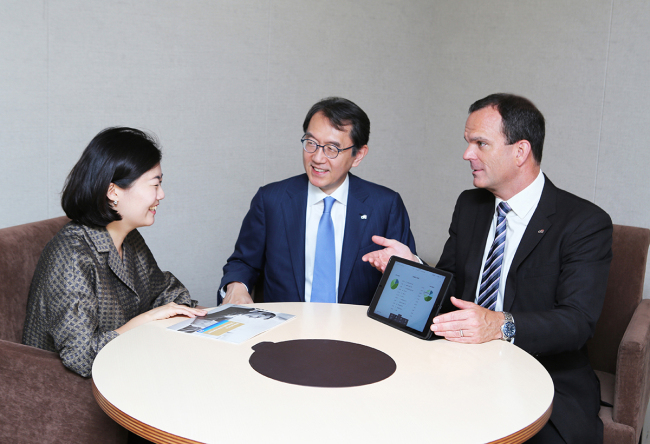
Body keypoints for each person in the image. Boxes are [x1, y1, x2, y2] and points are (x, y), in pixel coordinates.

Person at [363, 94, 612, 443]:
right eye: (468, 143)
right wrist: (412, 264)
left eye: (480, 143)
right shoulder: (471, 206)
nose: (467, 155)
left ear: (520, 151)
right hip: (458, 364)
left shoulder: (584, 222)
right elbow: (452, 291)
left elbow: (577, 322)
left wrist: (499, 324)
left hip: (544, 375)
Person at [22, 127, 207, 377]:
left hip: (124, 368)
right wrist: (141, 322)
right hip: (63, 389)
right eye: (155, 184)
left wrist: (175, 312)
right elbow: (81, 357)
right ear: (113, 192)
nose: (161, 195)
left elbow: (168, 291)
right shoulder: (73, 254)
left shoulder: (129, 238)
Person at [219, 97, 417, 305]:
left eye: (332, 149)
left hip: (357, 331)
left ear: (358, 155)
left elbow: (408, 279)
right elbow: (243, 262)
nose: (317, 158)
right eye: (311, 143)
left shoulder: (385, 206)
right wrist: (236, 286)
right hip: (287, 329)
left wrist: (410, 268)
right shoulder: (271, 200)